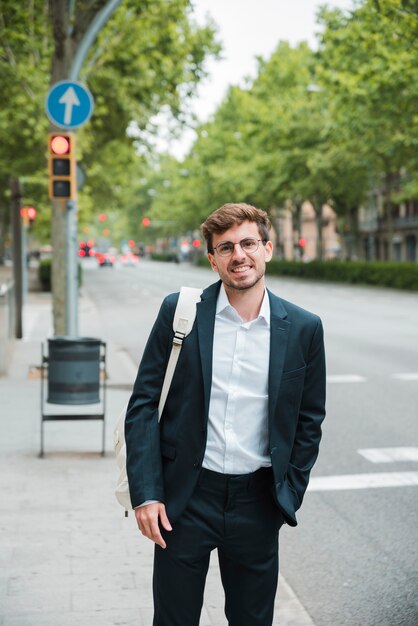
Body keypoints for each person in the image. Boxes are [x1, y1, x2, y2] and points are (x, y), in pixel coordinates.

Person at [125, 202, 326, 626]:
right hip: (184, 500)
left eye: (249, 243)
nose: (240, 255)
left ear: (268, 249)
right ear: (212, 259)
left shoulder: (304, 328)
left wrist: (289, 492)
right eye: (226, 247)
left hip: (258, 503)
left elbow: (309, 418)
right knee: (174, 620)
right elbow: (143, 404)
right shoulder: (181, 313)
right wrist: (146, 493)